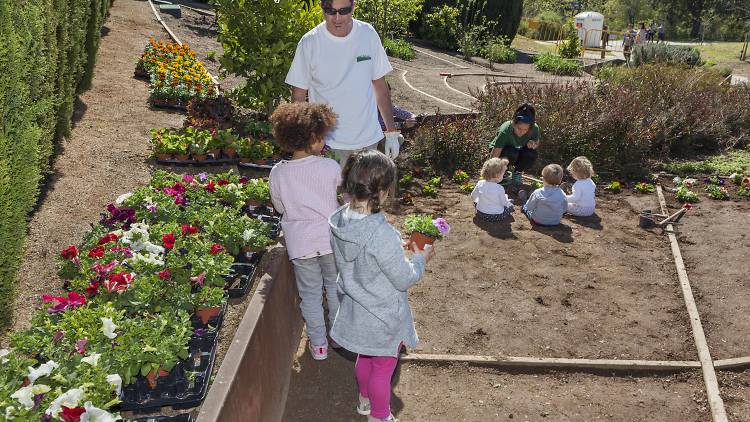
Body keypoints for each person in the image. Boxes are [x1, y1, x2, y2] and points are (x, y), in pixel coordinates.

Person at [329, 150, 434, 422]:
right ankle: (379, 416)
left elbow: (364, 255)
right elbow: (404, 278)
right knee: (383, 368)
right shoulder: (380, 233)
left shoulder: (340, 220)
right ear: (384, 191)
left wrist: (394, 248)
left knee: (364, 357)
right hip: (383, 317)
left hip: (356, 311)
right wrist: (420, 259)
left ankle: (364, 400)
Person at [285, 0, 403, 166]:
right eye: (330, 11)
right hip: (327, 145)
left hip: (367, 142)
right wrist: (303, 140)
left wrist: (391, 132)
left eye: (344, 11)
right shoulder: (309, 42)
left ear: (354, 7)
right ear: (322, 8)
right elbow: (298, 96)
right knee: (329, 193)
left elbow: (380, 87)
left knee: (366, 192)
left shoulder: (367, 34)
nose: (337, 18)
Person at [268, 102, 342, 360]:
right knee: (334, 288)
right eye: (322, 136)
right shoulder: (330, 167)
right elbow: (338, 195)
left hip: (301, 245)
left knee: (310, 294)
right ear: (312, 137)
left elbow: (279, 207)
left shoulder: (278, 173)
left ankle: (318, 345)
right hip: (330, 240)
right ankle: (337, 335)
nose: (324, 141)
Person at [488, 103, 540, 189]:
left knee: (531, 154)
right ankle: (502, 172)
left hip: (518, 151)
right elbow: (495, 154)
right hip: (502, 152)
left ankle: (517, 173)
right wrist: (490, 171)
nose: (522, 132)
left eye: (525, 130)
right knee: (511, 153)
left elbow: (536, 143)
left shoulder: (535, 128)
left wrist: (533, 145)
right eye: (519, 128)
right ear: (514, 124)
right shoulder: (506, 129)